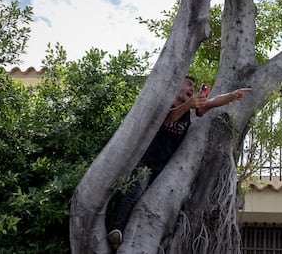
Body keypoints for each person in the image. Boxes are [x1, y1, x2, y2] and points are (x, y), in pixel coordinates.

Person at [107, 76, 251, 249]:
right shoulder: (166, 105)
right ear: (178, 85)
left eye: (195, 86)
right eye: (189, 84)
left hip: (166, 167)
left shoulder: (191, 110)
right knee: (135, 192)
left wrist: (233, 95)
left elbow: (211, 103)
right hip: (146, 162)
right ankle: (117, 230)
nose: (192, 88)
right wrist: (188, 105)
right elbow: (167, 118)